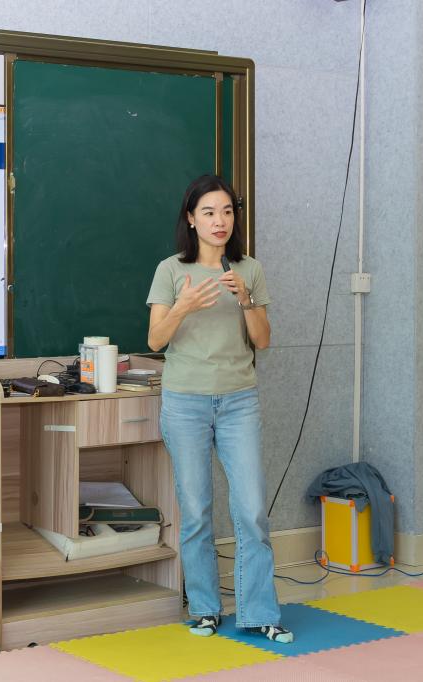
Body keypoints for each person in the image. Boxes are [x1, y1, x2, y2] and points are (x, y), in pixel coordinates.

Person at [147, 175, 293, 644]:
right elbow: (155, 340)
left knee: (252, 510)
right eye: (209, 212)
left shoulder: (249, 269)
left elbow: (263, 340)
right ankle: (206, 609)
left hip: (238, 401)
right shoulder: (171, 270)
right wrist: (184, 306)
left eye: (227, 211)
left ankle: (260, 612)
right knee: (196, 511)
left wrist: (245, 299)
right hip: (185, 402)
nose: (220, 221)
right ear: (191, 219)